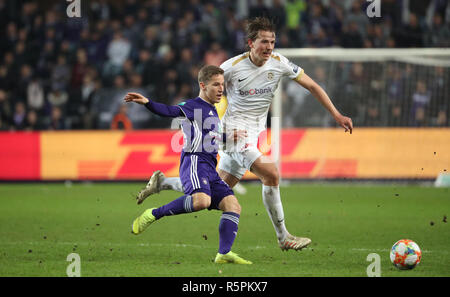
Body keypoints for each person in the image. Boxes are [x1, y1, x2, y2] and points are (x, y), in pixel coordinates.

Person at [138, 17, 353, 252]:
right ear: (251, 43)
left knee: (213, 194)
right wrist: (197, 124)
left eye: (272, 41)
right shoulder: (231, 67)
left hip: (256, 134)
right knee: (271, 175)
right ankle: (284, 237)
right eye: (263, 41)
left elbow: (313, 86)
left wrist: (336, 114)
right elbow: (205, 93)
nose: (269, 47)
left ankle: (164, 183)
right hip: (235, 136)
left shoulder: (280, 63)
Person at [125, 65, 252, 264]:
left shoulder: (211, 110)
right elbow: (169, 110)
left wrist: (228, 136)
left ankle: (224, 253)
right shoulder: (193, 106)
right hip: (194, 161)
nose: (221, 89)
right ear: (203, 85)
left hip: (210, 167)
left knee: (233, 205)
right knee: (202, 201)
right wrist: (148, 103)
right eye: (216, 85)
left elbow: (211, 136)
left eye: (222, 85)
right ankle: (153, 214)